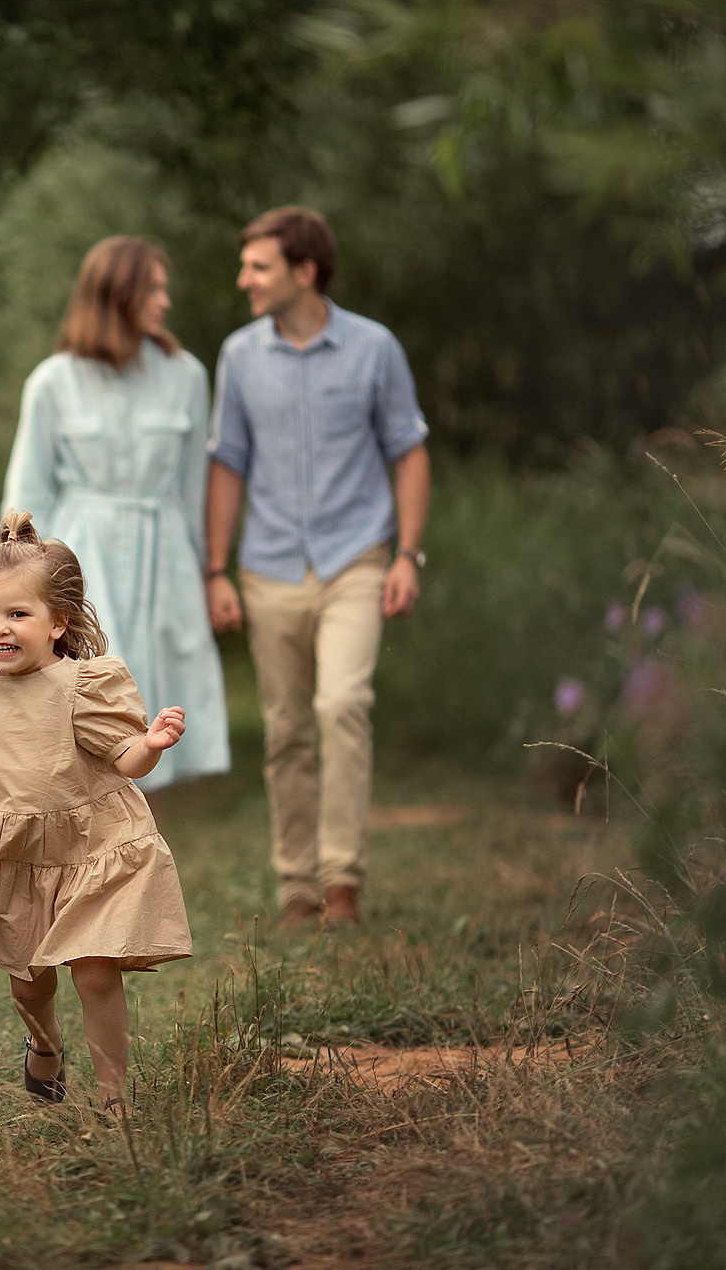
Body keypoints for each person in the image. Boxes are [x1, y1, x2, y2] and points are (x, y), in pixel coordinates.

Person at [0, 511, 191, 1117]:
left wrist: (152, 744)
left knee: (93, 972)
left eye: (18, 615)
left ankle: (113, 1096)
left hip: (95, 845)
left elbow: (124, 757)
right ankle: (45, 1045)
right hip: (21, 855)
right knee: (28, 979)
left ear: (58, 623)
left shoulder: (84, 685)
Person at [202, 206, 430, 931]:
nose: (245, 280)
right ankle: (296, 890)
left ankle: (342, 883)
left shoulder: (374, 348)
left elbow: (408, 449)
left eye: (259, 266)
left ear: (305, 271)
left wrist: (407, 554)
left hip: (356, 559)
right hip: (268, 566)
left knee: (342, 704)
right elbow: (227, 463)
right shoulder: (239, 355)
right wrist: (216, 569)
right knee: (286, 730)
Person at [2, 235, 230, 792]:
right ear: (115, 294)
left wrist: (208, 574)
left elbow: (191, 489)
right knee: (97, 674)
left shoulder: (186, 376)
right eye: (152, 288)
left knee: (160, 668)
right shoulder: (53, 381)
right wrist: (30, 586)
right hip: (85, 551)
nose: (164, 301)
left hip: (165, 550)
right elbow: (26, 493)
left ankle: (150, 819)